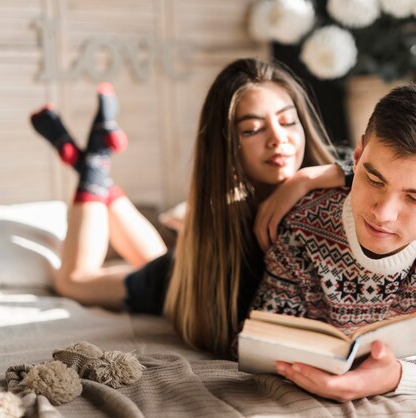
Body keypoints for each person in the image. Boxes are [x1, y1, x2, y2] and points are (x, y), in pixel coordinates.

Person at [30, 58, 348, 357]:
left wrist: (318, 175)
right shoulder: (219, 221)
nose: (279, 139)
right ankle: (95, 164)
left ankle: (90, 166)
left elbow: (386, 177)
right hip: (174, 280)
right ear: (226, 144)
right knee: (74, 281)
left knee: (151, 254)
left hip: (184, 257)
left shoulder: (329, 185)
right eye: (252, 129)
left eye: (288, 121)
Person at [249, 83, 416, 400]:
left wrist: (396, 377)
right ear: (356, 158)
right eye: (374, 180)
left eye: (415, 198)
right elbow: (261, 342)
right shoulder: (304, 222)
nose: (382, 215)